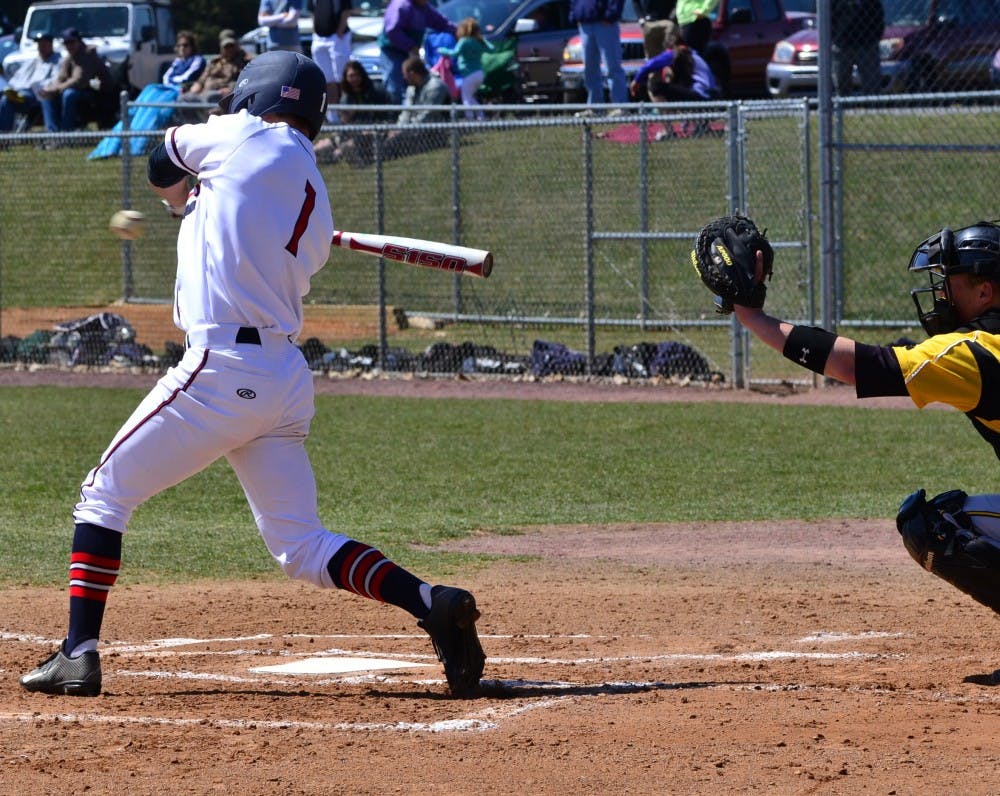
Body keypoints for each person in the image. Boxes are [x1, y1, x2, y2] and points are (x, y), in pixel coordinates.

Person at [18, 49, 486, 700]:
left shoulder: (240, 134)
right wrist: (197, 206)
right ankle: (431, 601)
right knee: (300, 545)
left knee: (104, 494)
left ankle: (79, 652)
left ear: (254, 94)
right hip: (283, 378)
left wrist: (176, 196)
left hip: (220, 367)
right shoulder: (314, 195)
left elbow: (161, 160)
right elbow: (245, 233)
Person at [704, 219, 1000, 634]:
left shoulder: (973, 353)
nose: (941, 293)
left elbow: (859, 365)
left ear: (985, 291)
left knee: (935, 526)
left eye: (949, 280)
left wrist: (754, 318)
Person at [337, 55, 449, 167]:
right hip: (410, 129)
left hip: (431, 133)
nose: (404, 78)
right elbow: (406, 113)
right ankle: (357, 153)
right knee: (381, 135)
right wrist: (397, 129)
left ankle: (367, 160)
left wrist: (403, 131)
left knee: (391, 143)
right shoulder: (412, 88)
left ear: (412, 74)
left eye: (405, 75)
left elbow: (426, 116)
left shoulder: (435, 86)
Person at [37, 27, 115, 133]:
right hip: (83, 91)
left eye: (71, 42)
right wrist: (50, 89)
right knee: (47, 97)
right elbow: (61, 77)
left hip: (99, 95)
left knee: (69, 94)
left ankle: (66, 133)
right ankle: (53, 134)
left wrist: (56, 89)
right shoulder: (70, 57)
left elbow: (78, 80)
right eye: (66, 43)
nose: (69, 45)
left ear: (79, 41)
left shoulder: (88, 54)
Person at [378, 0, 457, 104]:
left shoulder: (423, 7)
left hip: (410, 52)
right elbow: (392, 31)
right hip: (393, 51)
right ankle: (392, 116)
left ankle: (411, 115)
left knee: (415, 85)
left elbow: (441, 22)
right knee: (395, 87)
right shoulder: (401, 5)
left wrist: (458, 31)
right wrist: (411, 46)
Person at [313, 59, 392, 162]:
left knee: (345, 148)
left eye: (356, 75)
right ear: (346, 78)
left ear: (362, 75)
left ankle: (338, 158)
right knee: (318, 148)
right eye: (351, 76)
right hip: (348, 132)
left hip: (370, 132)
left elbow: (384, 115)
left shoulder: (374, 91)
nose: (354, 79)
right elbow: (344, 120)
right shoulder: (346, 96)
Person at [569, 0, 629, 113]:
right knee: (589, 69)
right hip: (585, 23)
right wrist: (575, 14)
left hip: (605, 24)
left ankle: (621, 107)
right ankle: (595, 108)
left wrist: (610, 15)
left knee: (612, 67)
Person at [178, 31, 252, 122]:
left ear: (237, 45)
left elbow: (247, 81)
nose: (229, 49)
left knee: (210, 97)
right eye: (226, 46)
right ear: (221, 47)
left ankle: (209, 126)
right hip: (204, 93)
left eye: (231, 46)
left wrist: (232, 89)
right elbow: (203, 78)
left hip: (225, 96)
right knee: (184, 99)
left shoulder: (245, 62)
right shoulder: (215, 62)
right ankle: (194, 125)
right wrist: (198, 85)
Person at [0, 31, 60, 132]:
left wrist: (44, 88)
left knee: (39, 96)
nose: (41, 46)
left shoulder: (58, 60)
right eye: (39, 44)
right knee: (6, 99)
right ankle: (4, 137)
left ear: (51, 44)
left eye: (44, 43)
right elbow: (17, 79)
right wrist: (9, 89)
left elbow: (56, 80)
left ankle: (52, 134)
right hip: (21, 97)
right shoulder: (32, 61)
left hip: (39, 97)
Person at [437, 17, 494, 120]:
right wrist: (482, 39)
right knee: (470, 96)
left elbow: (455, 53)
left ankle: (470, 119)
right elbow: (491, 49)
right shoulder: (478, 42)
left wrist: (443, 51)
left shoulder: (464, 41)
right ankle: (481, 116)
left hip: (469, 75)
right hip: (479, 74)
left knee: (465, 98)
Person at [311, 0, 358, 123]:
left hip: (337, 38)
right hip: (319, 38)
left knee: (342, 79)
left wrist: (339, 33)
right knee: (327, 80)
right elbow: (313, 11)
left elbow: (346, 11)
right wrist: (315, 31)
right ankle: (333, 118)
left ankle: (346, 115)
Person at [629, 43, 718, 102]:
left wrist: (636, 80)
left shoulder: (675, 53)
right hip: (711, 96)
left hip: (701, 95)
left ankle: (667, 124)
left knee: (656, 87)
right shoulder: (693, 55)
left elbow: (649, 65)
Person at [831, 0, 885, 96]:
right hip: (843, 44)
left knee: (871, 81)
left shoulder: (871, 3)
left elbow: (879, 16)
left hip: (867, 44)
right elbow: (830, 17)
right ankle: (842, 105)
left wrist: (874, 37)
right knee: (841, 79)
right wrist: (836, 38)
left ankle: (873, 106)